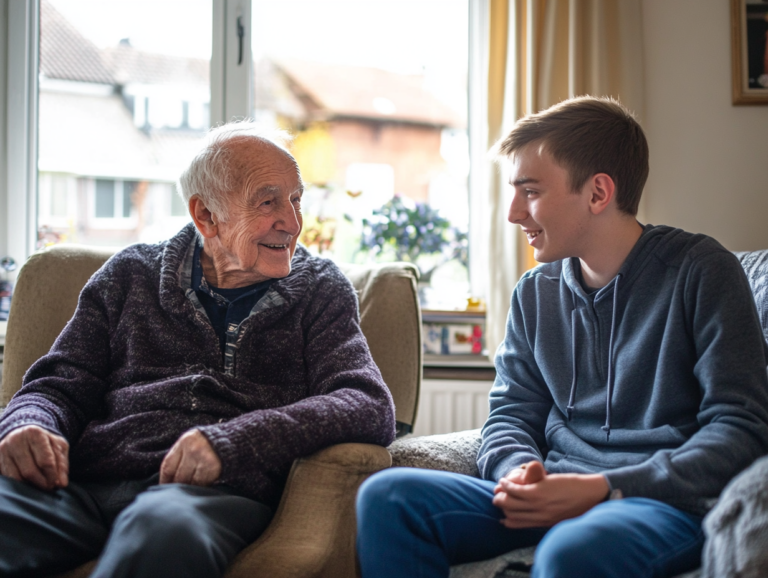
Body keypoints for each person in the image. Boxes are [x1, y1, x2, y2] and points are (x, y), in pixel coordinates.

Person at [356, 96, 768, 578]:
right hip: (551, 489)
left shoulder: (702, 272)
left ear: (598, 193)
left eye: (530, 191)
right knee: (387, 497)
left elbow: (741, 431)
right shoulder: (534, 294)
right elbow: (510, 416)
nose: (513, 213)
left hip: (659, 501)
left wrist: (602, 487)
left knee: (572, 553)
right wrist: (518, 472)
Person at [0, 122, 396, 578]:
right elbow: (59, 384)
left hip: (208, 496)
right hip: (83, 486)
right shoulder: (129, 275)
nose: (291, 221)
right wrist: (28, 423)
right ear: (205, 215)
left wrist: (233, 442)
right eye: (268, 202)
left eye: (296, 199)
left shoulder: (320, 291)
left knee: (163, 530)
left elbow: (366, 403)